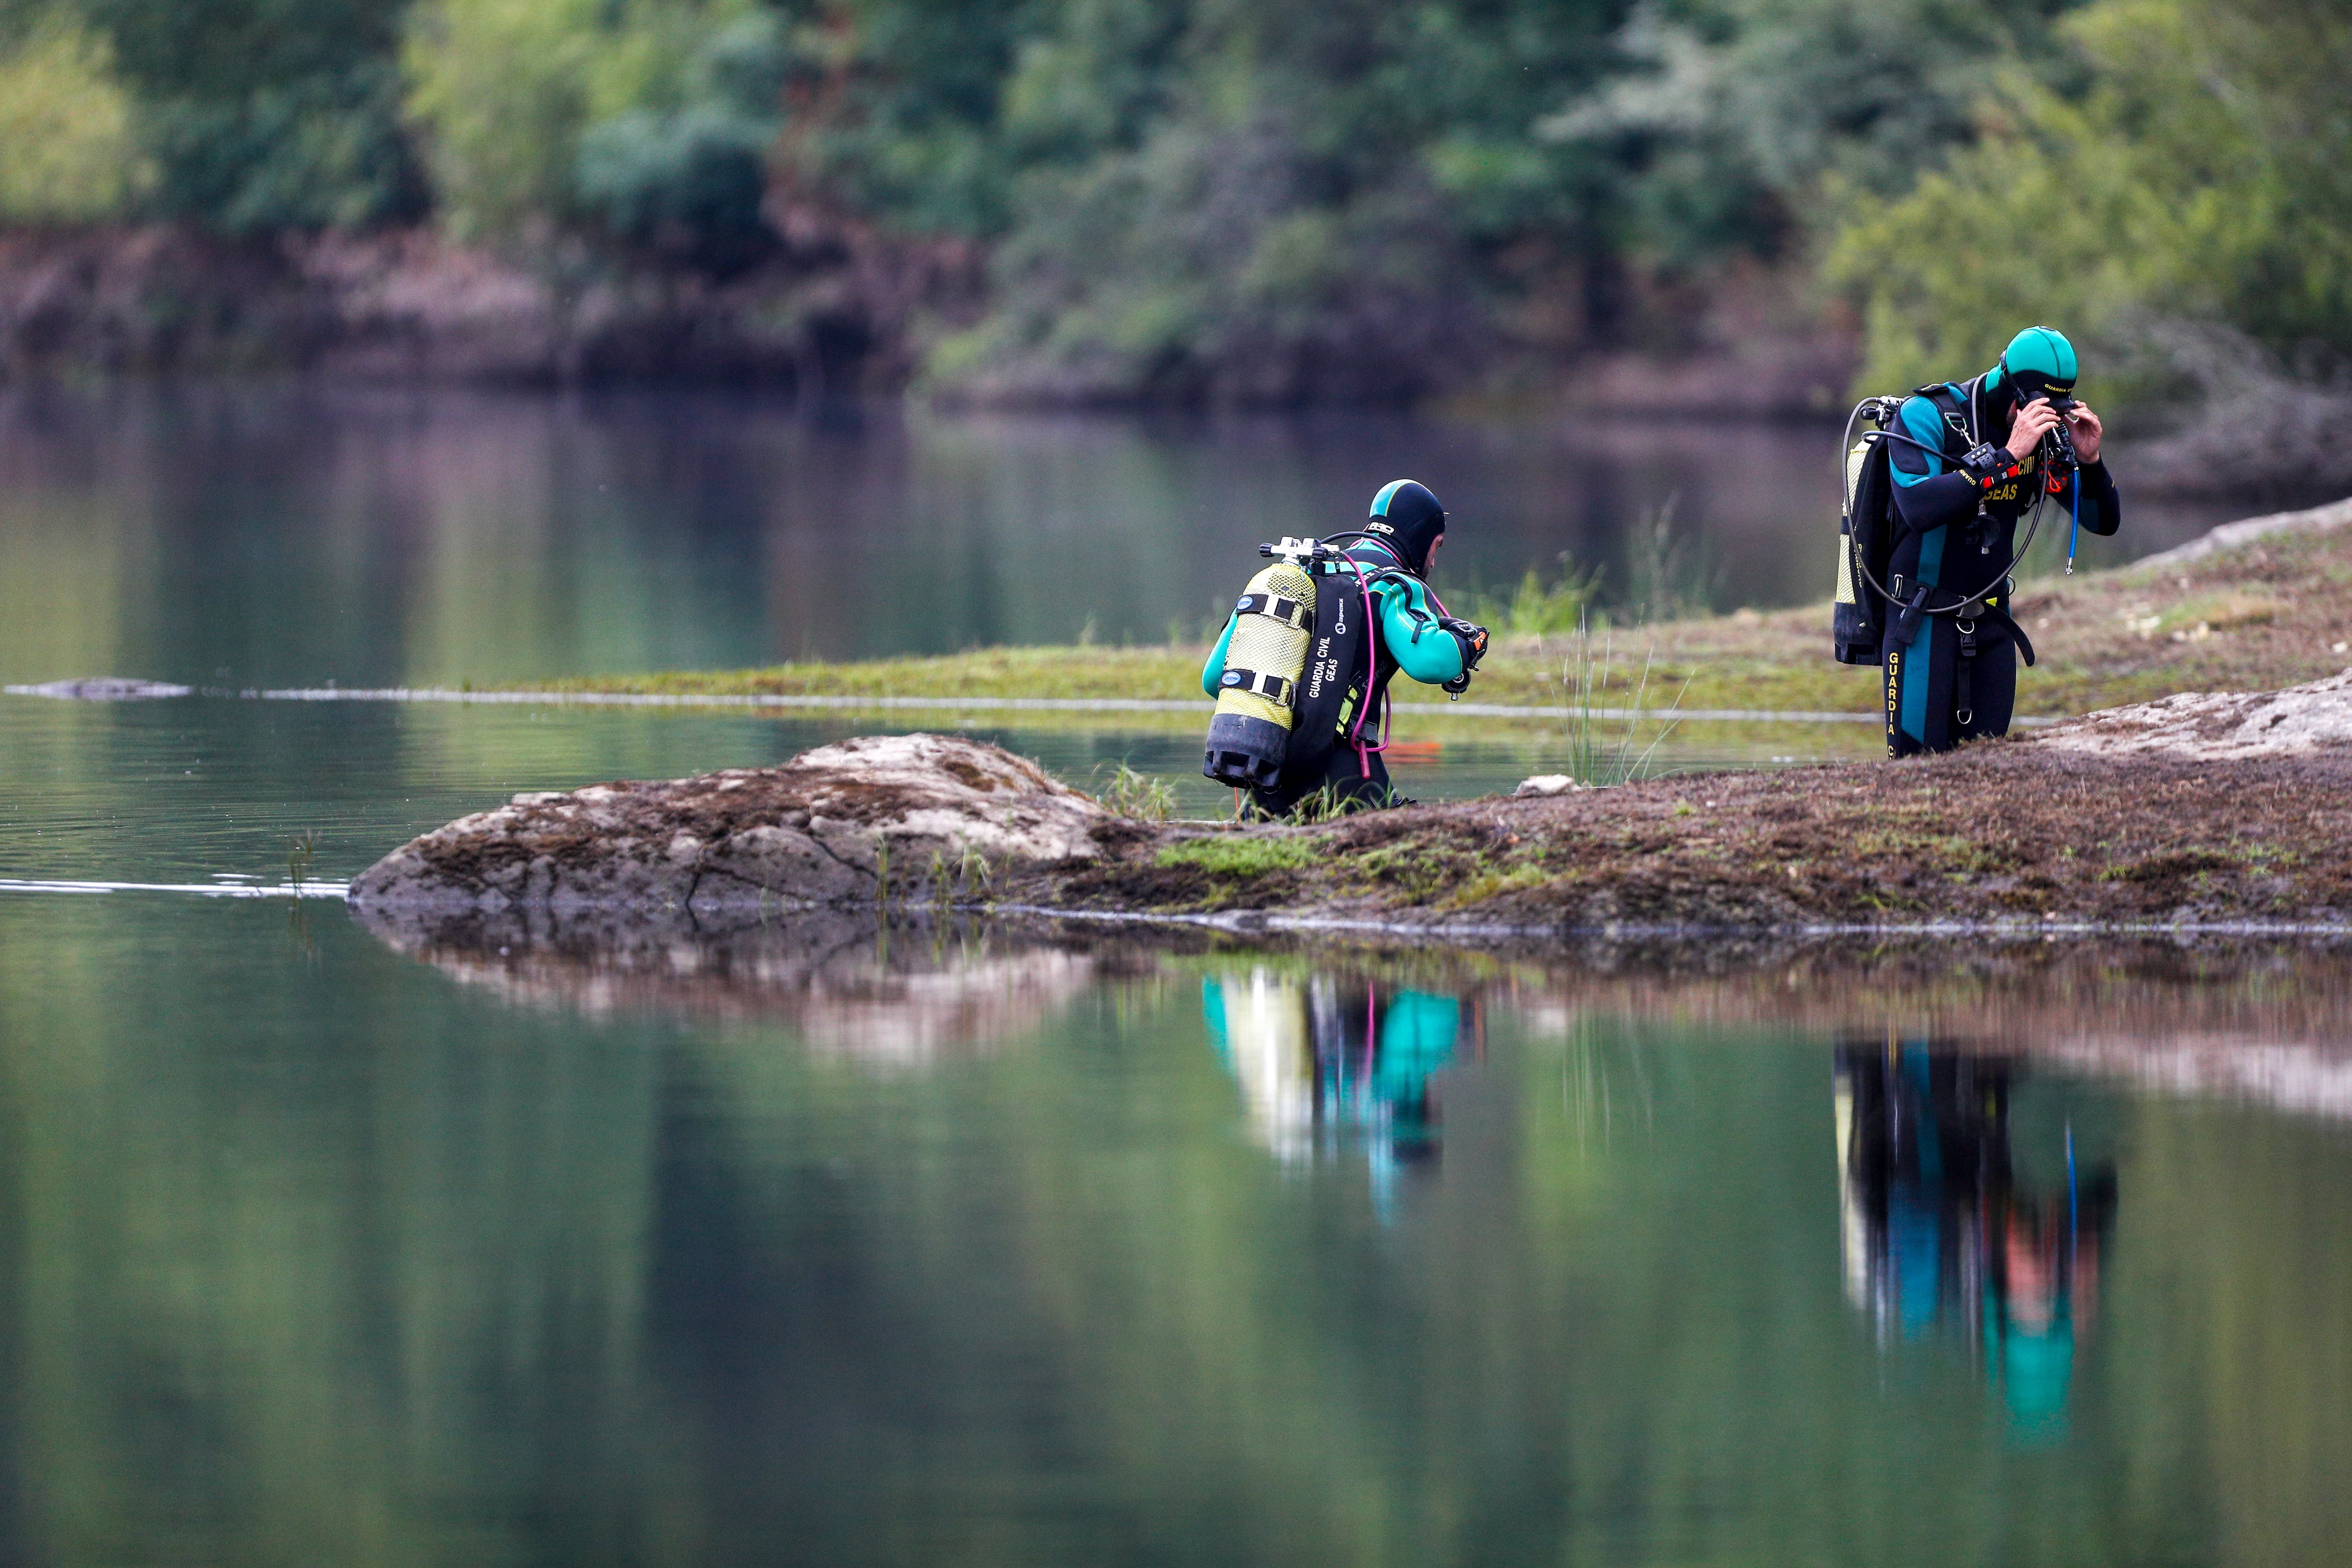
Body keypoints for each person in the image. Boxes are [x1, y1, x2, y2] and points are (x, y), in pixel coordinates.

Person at [1883, 326, 2121, 755]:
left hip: (1992, 624)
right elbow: (1918, 508)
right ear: (2013, 392)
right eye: (2037, 406)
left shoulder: (2042, 437)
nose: (2044, 419)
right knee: (1912, 779)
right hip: (1922, 624)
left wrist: (2091, 461)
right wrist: (2007, 457)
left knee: (1987, 776)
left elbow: (2103, 522)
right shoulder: (1928, 416)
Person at [1201, 479, 1488, 818]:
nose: (1434, 561)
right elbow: (1430, 662)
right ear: (1420, 537)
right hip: (1343, 771)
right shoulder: (1394, 584)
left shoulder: (1299, 574)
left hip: (1265, 765)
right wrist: (1470, 643)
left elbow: (1214, 677)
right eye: (1436, 546)